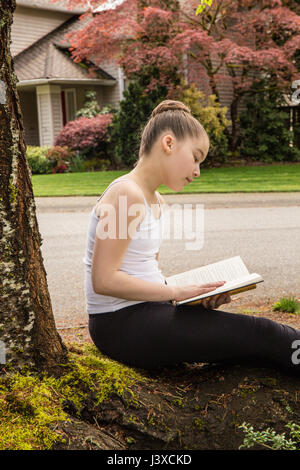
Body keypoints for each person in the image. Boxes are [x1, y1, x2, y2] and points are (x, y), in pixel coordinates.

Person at [83, 99, 300, 375]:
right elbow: (104, 280)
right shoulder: (126, 193)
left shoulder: (155, 200)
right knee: (263, 331)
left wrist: (193, 298)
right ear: (169, 144)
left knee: (254, 343)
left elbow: (144, 272)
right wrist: (175, 292)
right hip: (121, 325)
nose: (197, 171)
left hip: (148, 313)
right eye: (196, 157)